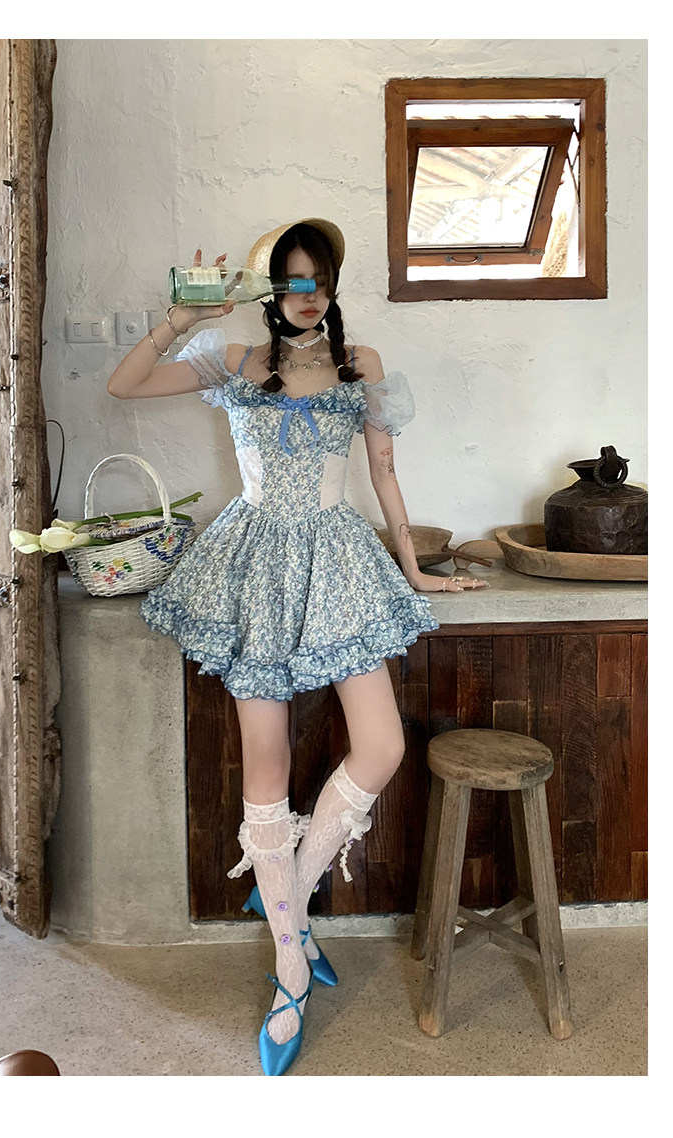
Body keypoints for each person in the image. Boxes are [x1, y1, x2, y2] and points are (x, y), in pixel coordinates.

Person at [107, 218, 487, 1076]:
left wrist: (413, 570)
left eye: (319, 280)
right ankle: (290, 963)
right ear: (269, 290)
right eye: (291, 281)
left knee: (383, 745)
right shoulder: (236, 361)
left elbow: (383, 473)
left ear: (333, 285)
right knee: (267, 763)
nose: (307, 295)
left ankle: (289, 898)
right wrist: (179, 318)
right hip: (252, 564)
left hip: (338, 560)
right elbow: (123, 385)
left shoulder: (362, 365)